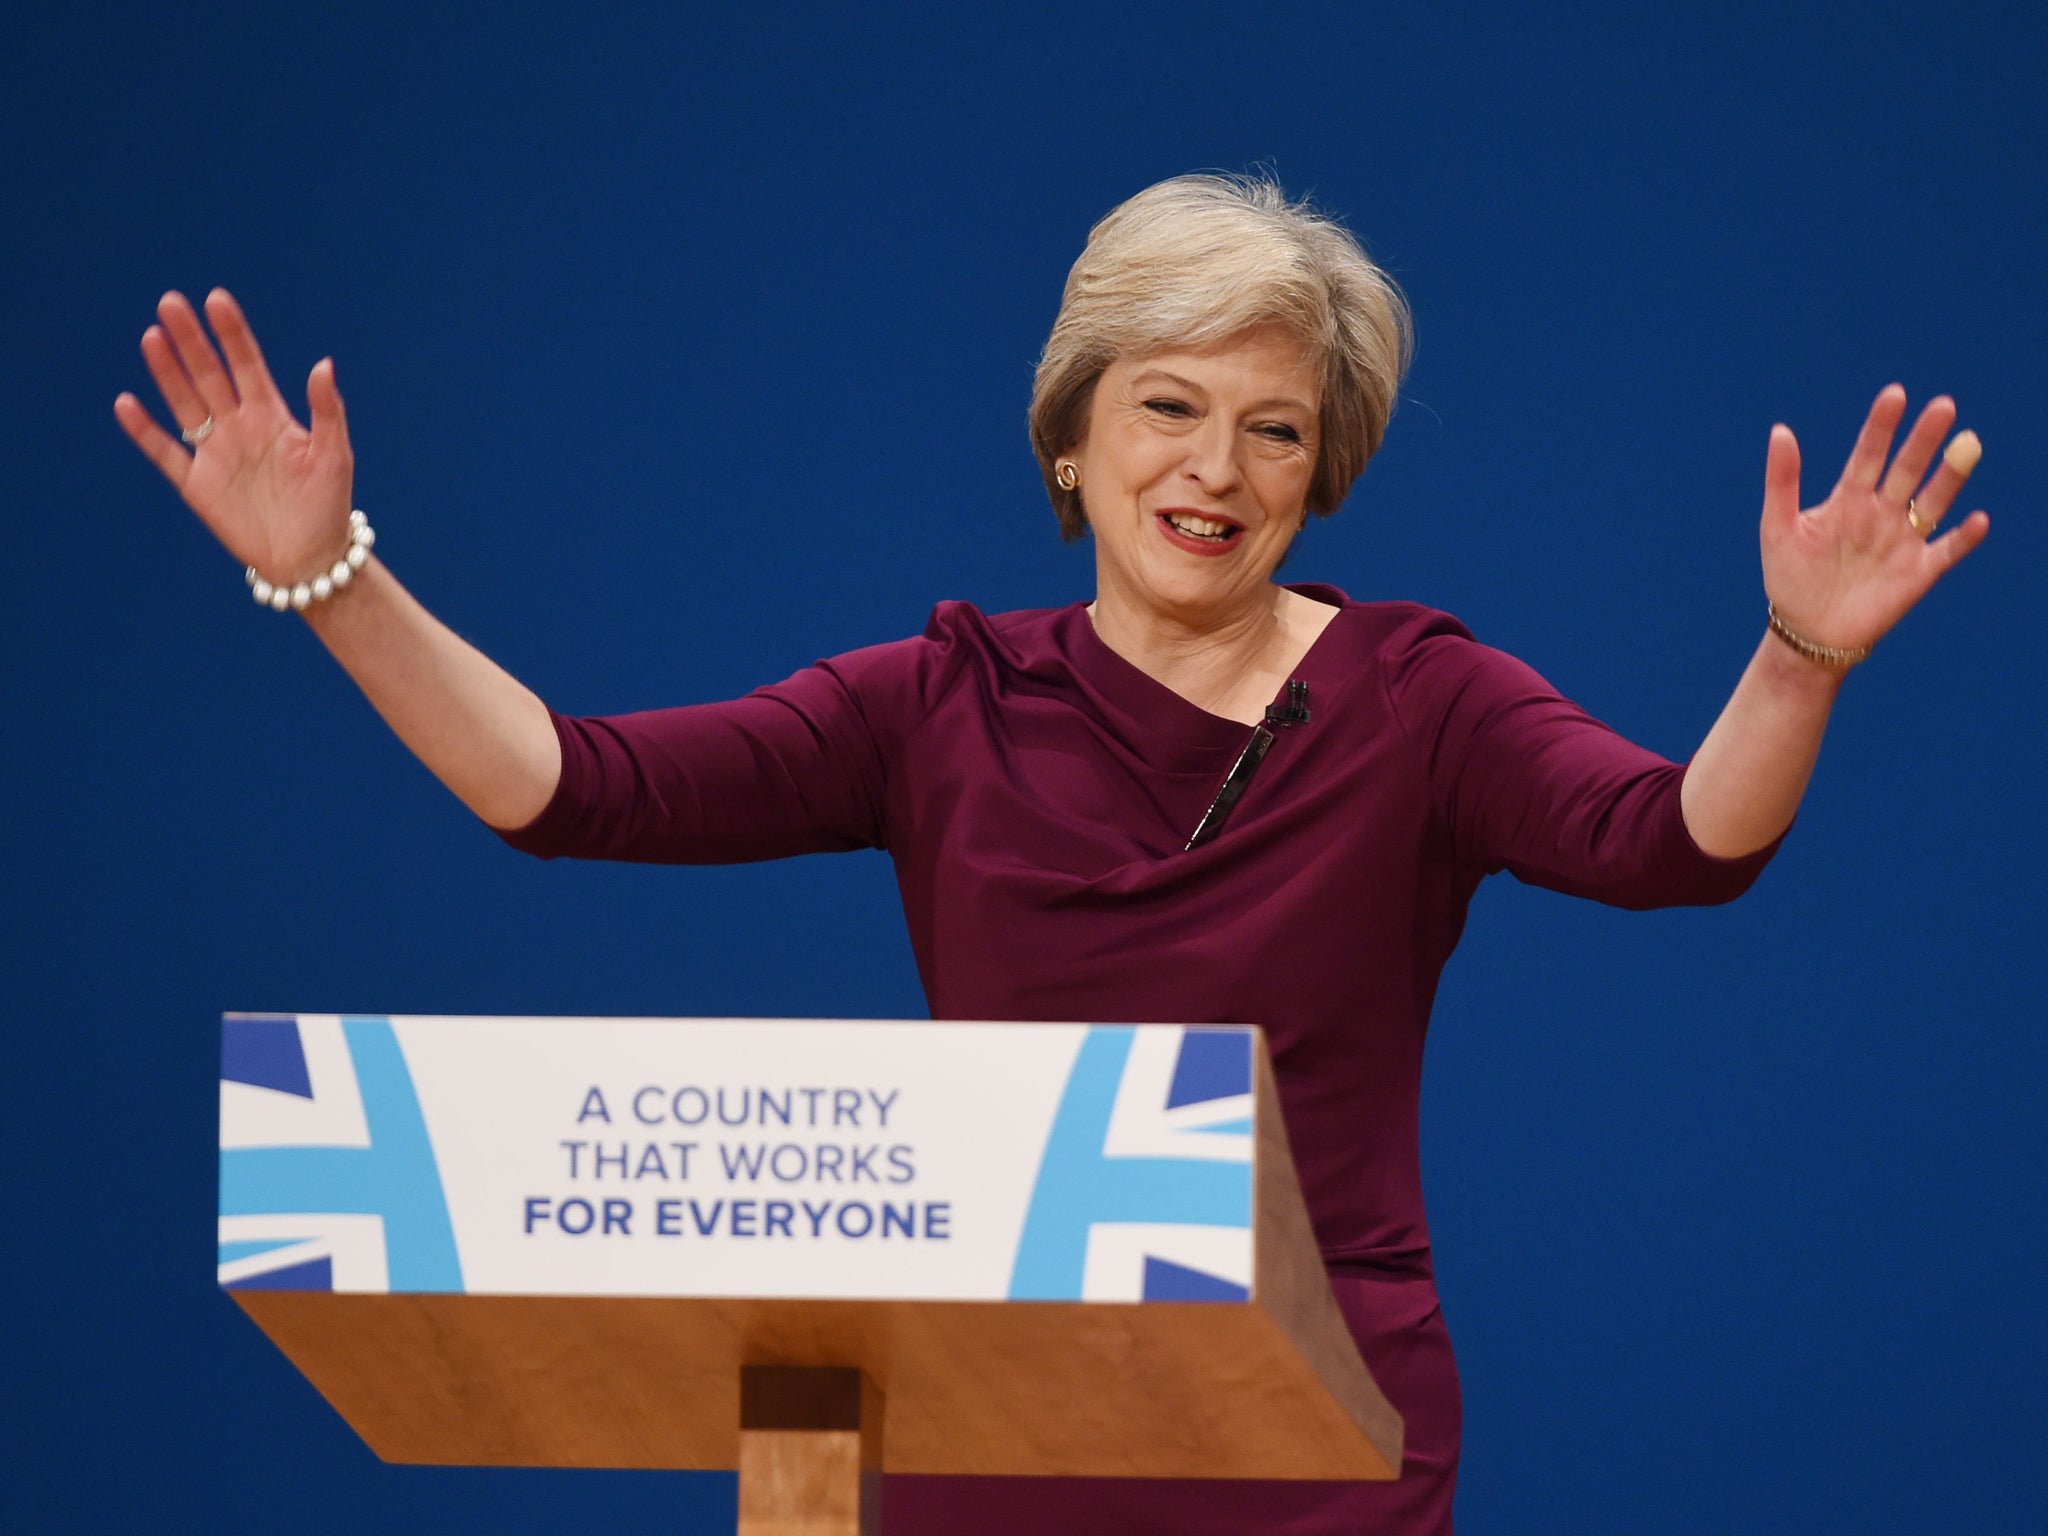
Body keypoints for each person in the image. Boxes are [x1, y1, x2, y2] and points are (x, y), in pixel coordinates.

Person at [117, 174, 1987, 1535]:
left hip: (1318, 1448)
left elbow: (1676, 842)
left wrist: (1798, 653)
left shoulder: (1423, 696)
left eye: (1277, 430)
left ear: (1318, 474)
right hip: (975, 1441)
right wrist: (326, 574)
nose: (1221, 468)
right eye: (1171, 407)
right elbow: (571, 787)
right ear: (1073, 441)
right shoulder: (939, 702)